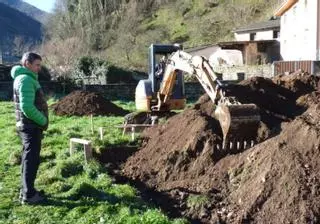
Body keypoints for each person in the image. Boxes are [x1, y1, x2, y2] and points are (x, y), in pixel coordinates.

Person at [11, 52, 49, 204]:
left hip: (27, 126)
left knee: (28, 159)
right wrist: (43, 120)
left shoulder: (23, 78)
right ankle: (29, 195)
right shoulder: (26, 79)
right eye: (37, 65)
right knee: (31, 160)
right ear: (27, 63)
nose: (39, 68)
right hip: (30, 126)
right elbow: (27, 107)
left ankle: (27, 190)